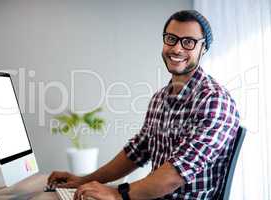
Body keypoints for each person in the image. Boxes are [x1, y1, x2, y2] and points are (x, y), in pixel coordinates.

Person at [48, 10, 240, 200]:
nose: (177, 49)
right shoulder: (160, 98)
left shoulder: (214, 101)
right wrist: (84, 180)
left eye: (188, 42)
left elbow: (176, 174)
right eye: (171, 38)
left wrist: (116, 195)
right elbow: (136, 152)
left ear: (204, 48)